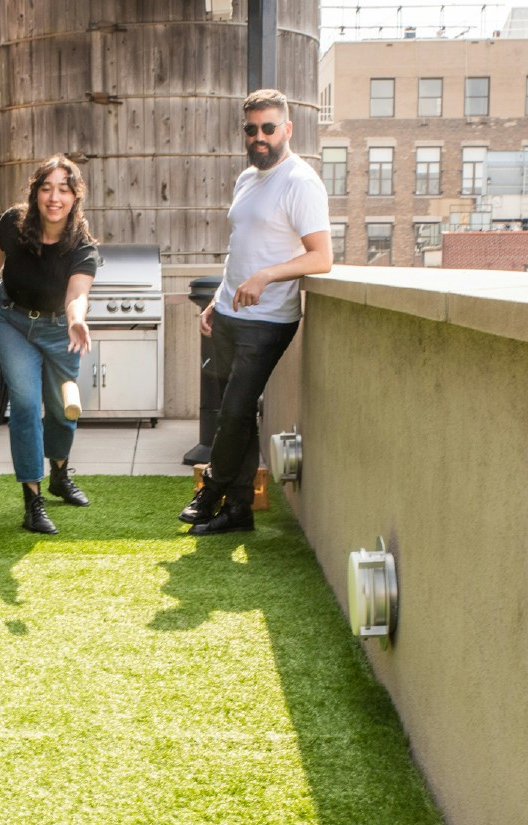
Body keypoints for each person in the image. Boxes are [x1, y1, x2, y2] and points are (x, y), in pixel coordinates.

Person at [180, 89, 332, 535]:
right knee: (239, 416)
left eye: (269, 128)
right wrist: (217, 299)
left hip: (268, 321)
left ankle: (211, 489)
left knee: (235, 411)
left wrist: (266, 276)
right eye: (252, 129)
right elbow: (239, 249)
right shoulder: (248, 178)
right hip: (230, 312)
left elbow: (321, 257)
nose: (260, 137)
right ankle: (238, 510)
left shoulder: (300, 182)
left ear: (287, 129)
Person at [0, 155, 99, 534]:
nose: (54, 198)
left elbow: (76, 294)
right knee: (23, 403)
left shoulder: (82, 246)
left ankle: (59, 474)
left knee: (62, 410)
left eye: (63, 190)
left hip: (59, 330)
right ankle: (33, 501)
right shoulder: (13, 224)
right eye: (46, 188)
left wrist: (77, 321)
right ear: (36, 192)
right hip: (11, 320)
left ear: (74, 197)